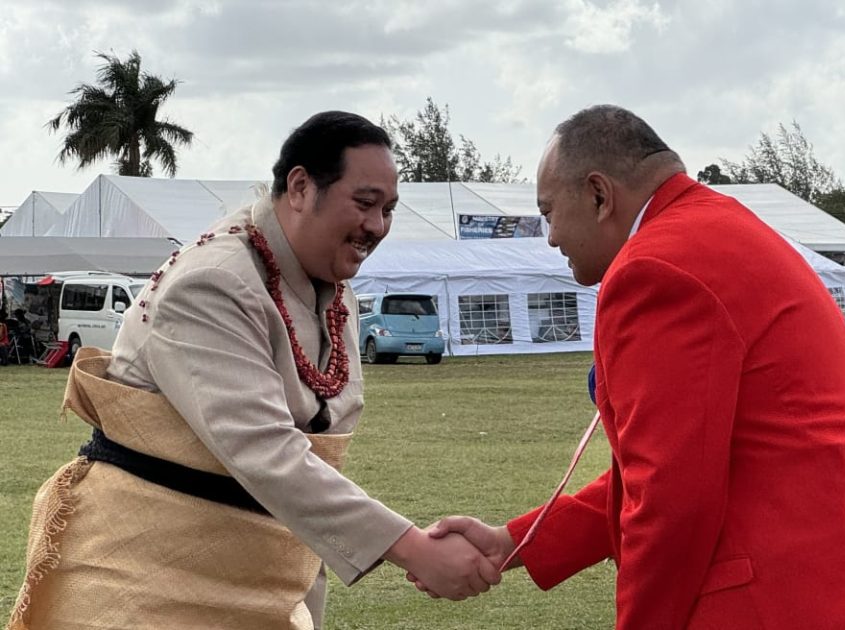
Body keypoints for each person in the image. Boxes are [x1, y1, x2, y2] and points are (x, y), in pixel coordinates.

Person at [421, 105, 845, 629]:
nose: (550, 238)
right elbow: (684, 464)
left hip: (793, 594)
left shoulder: (653, 269)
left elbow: (671, 501)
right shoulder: (719, 228)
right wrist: (514, 542)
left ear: (599, 195)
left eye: (549, 213)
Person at [7, 112, 499, 630]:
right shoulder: (213, 282)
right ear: (301, 187)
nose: (377, 226)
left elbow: (315, 441)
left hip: (265, 570)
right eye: (364, 203)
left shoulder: (332, 292)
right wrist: (412, 548)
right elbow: (264, 448)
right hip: (148, 575)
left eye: (389, 210)